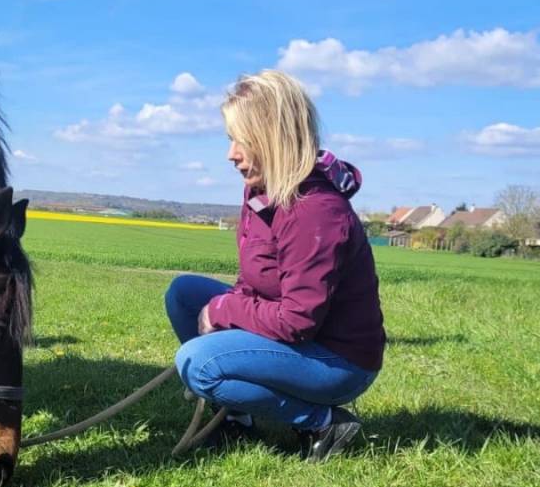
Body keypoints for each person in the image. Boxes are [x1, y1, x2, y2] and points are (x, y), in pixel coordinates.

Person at [165, 70, 385, 462]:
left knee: (199, 366)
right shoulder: (261, 191)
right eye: (231, 139)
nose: (231, 154)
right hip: (299, 338)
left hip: (335, 360)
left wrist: (221, 310)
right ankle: (236, 416)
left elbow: (297, 322)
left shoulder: (314, 212)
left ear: (275, 137)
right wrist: (224, 305)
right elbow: (253, 277)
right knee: (184, 295)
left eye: (242, 140)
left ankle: (321, 421)